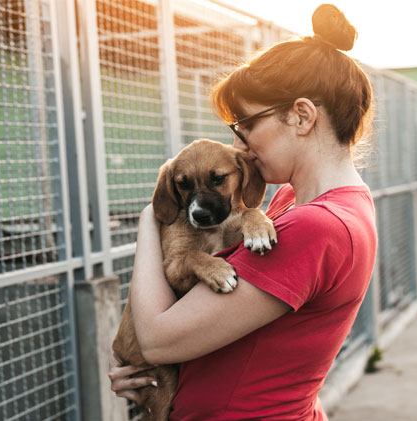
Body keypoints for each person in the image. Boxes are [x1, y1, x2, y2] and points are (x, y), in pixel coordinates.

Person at [109, 4, 378, 420]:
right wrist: (150, 373)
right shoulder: (300, 202)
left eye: (245, 126)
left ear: (301, 116)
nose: (238, 145)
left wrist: (151, 220)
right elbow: (285, 356)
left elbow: (159, 341)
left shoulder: (315, 225)